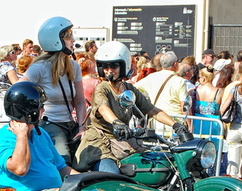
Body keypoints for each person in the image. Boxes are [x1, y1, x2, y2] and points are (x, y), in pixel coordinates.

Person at [73, 41, 186, 173]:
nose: (109, 70)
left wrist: (175, 125)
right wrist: (117, 123)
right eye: (105, 66)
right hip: (100, 145)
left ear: (124, 66)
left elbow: (151, 109)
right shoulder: (102, 88)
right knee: (113, 175)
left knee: (153, 165)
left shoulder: (129, 89)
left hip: (121, 142)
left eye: (114, 66)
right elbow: (103, 108)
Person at [0, 81, 79, 191]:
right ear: (30, 112)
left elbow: (62, 168)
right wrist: (22, 134)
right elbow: (20, 169)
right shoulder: (0, 140)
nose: (43, 111)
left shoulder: (41, 133)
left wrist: (87, 180)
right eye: (41, 107)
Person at [19, 16, 87, 164]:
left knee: (88, 158)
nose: (73, 40)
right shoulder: (40, 67)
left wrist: (82, 127)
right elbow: (17, 92)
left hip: (71, 124)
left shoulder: (73, 66)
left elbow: (80, 101)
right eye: (69, 36)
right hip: (49, 124)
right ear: (56, 39)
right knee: (63, 160)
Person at [134, 51, 188, 133]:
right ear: (175, 64)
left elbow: (133, 87)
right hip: (175, 125)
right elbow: (184, 105)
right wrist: (189, 125)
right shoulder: (179, 81)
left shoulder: (151, 77)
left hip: (156, 123)